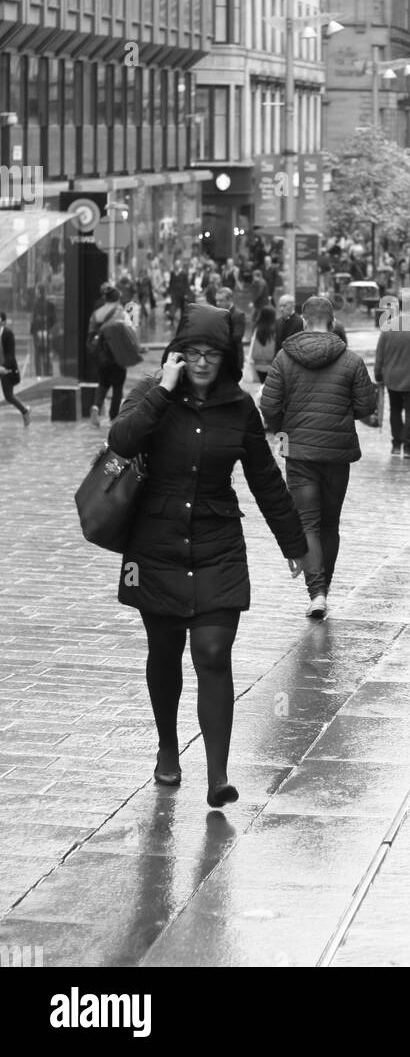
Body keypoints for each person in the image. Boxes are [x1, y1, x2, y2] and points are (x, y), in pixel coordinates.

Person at [108, 303, 307, 808]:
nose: (200, 363)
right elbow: (121, 440)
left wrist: (295, 545)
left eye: (211, 354)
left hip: (218, 544)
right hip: (157, 544)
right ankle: (168, 748)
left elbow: (264, 478)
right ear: (178, 353)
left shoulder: (239, 407)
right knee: (165, 651)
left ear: (227, 357)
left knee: (213, 653)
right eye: (192, 352)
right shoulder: (153, 395)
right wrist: (162, 390)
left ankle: (218, 776)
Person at [260, 296, 378, 620]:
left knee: (308, 522)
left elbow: (268, 406)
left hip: (298, 452)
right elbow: (367, 407)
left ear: (302, 319)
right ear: (333, 319)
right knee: (330, 523)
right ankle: (324, 589)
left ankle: (317, 592)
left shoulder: (285, 359)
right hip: (337, 454)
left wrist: (281, 426)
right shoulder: (351, 360)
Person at [374, 300, 410, 458]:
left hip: (392, 378)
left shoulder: (387, 326)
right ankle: (408, 447)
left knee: (394, 409)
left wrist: (378, 374)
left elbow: (379, 354)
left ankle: (396, 445)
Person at [87, 285, 129, 428]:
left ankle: (96, 407)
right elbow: (129, 334)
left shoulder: (96, 314)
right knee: (117, 387)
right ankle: (113, 418)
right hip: (118, 356)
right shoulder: (122, 313)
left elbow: (91, 336)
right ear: (117, 299)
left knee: (103, 383)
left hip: (101, 356)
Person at [0, 312, 30, 425]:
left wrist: (3, 367)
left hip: (6, 369)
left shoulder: (8, 334)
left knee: (8, 396)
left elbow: (10, 356)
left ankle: (25, 411)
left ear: (3, 322)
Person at [214, 286, 246, 373]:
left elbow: (237, 336)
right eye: (216, 300)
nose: (217, 303)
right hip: (220, 357)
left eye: (221, 300)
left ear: (229, 299)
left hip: (233, 357)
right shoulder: (217, 312)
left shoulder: (238, 314)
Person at [30, 283, 56, 378]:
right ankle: (47, 372)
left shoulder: (36, 304)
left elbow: (34, 320)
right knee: (47, 353)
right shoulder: (49, 304)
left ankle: (39, 374)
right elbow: (53, 320)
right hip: (46, 331)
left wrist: (33, 330)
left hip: (39, 332)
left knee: (38, 354)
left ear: (38, 291)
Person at [250, 304, 278, 384]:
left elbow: (253, 344)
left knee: (262, 385)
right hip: (272, 365)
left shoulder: (257, 329)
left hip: (258, 365)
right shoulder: (275, 329)